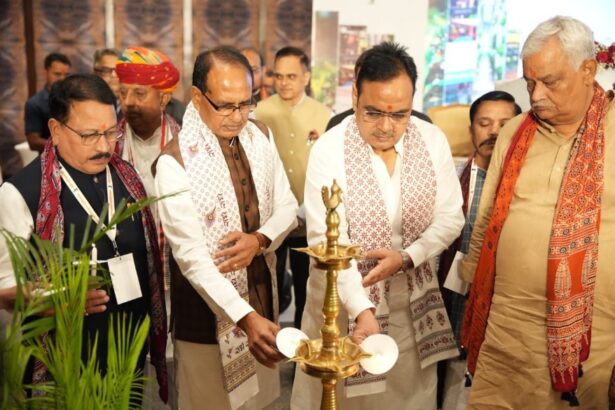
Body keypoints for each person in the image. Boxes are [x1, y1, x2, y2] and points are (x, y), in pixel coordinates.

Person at [291, 41, 463, 410]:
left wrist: (407, 256)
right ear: (355, 95)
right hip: (342, 306)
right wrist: (362, 310)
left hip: (410, 304)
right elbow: (327, 240)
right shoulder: (329, 149)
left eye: (400, 114)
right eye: (373, 113)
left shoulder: (431, 140)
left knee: (406, 398)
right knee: (341, 397)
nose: (386, 127)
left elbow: (452, 216)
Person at [461, 16, 615, 409]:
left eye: (549, 81)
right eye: (530, 83)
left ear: (588, 70)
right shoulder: (515, 131)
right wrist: (473, 288)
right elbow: (486, 218)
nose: (537, 95)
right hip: (507, 328)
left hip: (593, 337)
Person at [0, 74, 168, 401]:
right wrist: (56, 300)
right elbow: (4, 287)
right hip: (64, 361)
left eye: (111, 132)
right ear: (55, 129)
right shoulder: (20, 193)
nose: (104, 146)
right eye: (90, 135)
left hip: (128, 351)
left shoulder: (127, 177)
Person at [154, 46, 300, 410]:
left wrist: (259, 240)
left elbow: (287, 207)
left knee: (259, 403)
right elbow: (191, 258)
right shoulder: (174, 162)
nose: (238, 116)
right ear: (197, 97)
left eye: (246, 103)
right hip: (205, 319)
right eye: (226, 106)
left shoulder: (260, 135)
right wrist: (244, 318)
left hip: (262, 302)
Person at [436, 90, 521, 410]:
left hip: (503, 303)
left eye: (505, 124)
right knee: (451, 383)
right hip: (455, 296)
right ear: (471, 129)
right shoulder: (450, 179)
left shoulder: (526, 185)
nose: (494, 132)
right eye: (484, 123)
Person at [254, 46, 332, 328]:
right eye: (278, 76)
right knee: (268, 284)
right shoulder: (259, 112)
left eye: (291, 76)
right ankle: (269, 339)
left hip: (308, 217)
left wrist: (302, 211)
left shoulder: (324, 115)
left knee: (306, 286)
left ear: (306, 77)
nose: (284, 82)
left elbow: (328, 170)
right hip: (269, 216)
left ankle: (301, 343)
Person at [114, 46, 181, 197]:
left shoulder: (185, 140)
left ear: (163, 99)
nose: (128, 102)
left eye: (139, 93)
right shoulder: (110, 143)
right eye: (123, 93)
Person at [25, 52, 71, 153]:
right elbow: (33, 142)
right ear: (45, 72)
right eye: (57, 74)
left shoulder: (74, 99)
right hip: (50, 157)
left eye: (66, 75)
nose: (62, 79)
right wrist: (64, 144)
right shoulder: (34, 104)